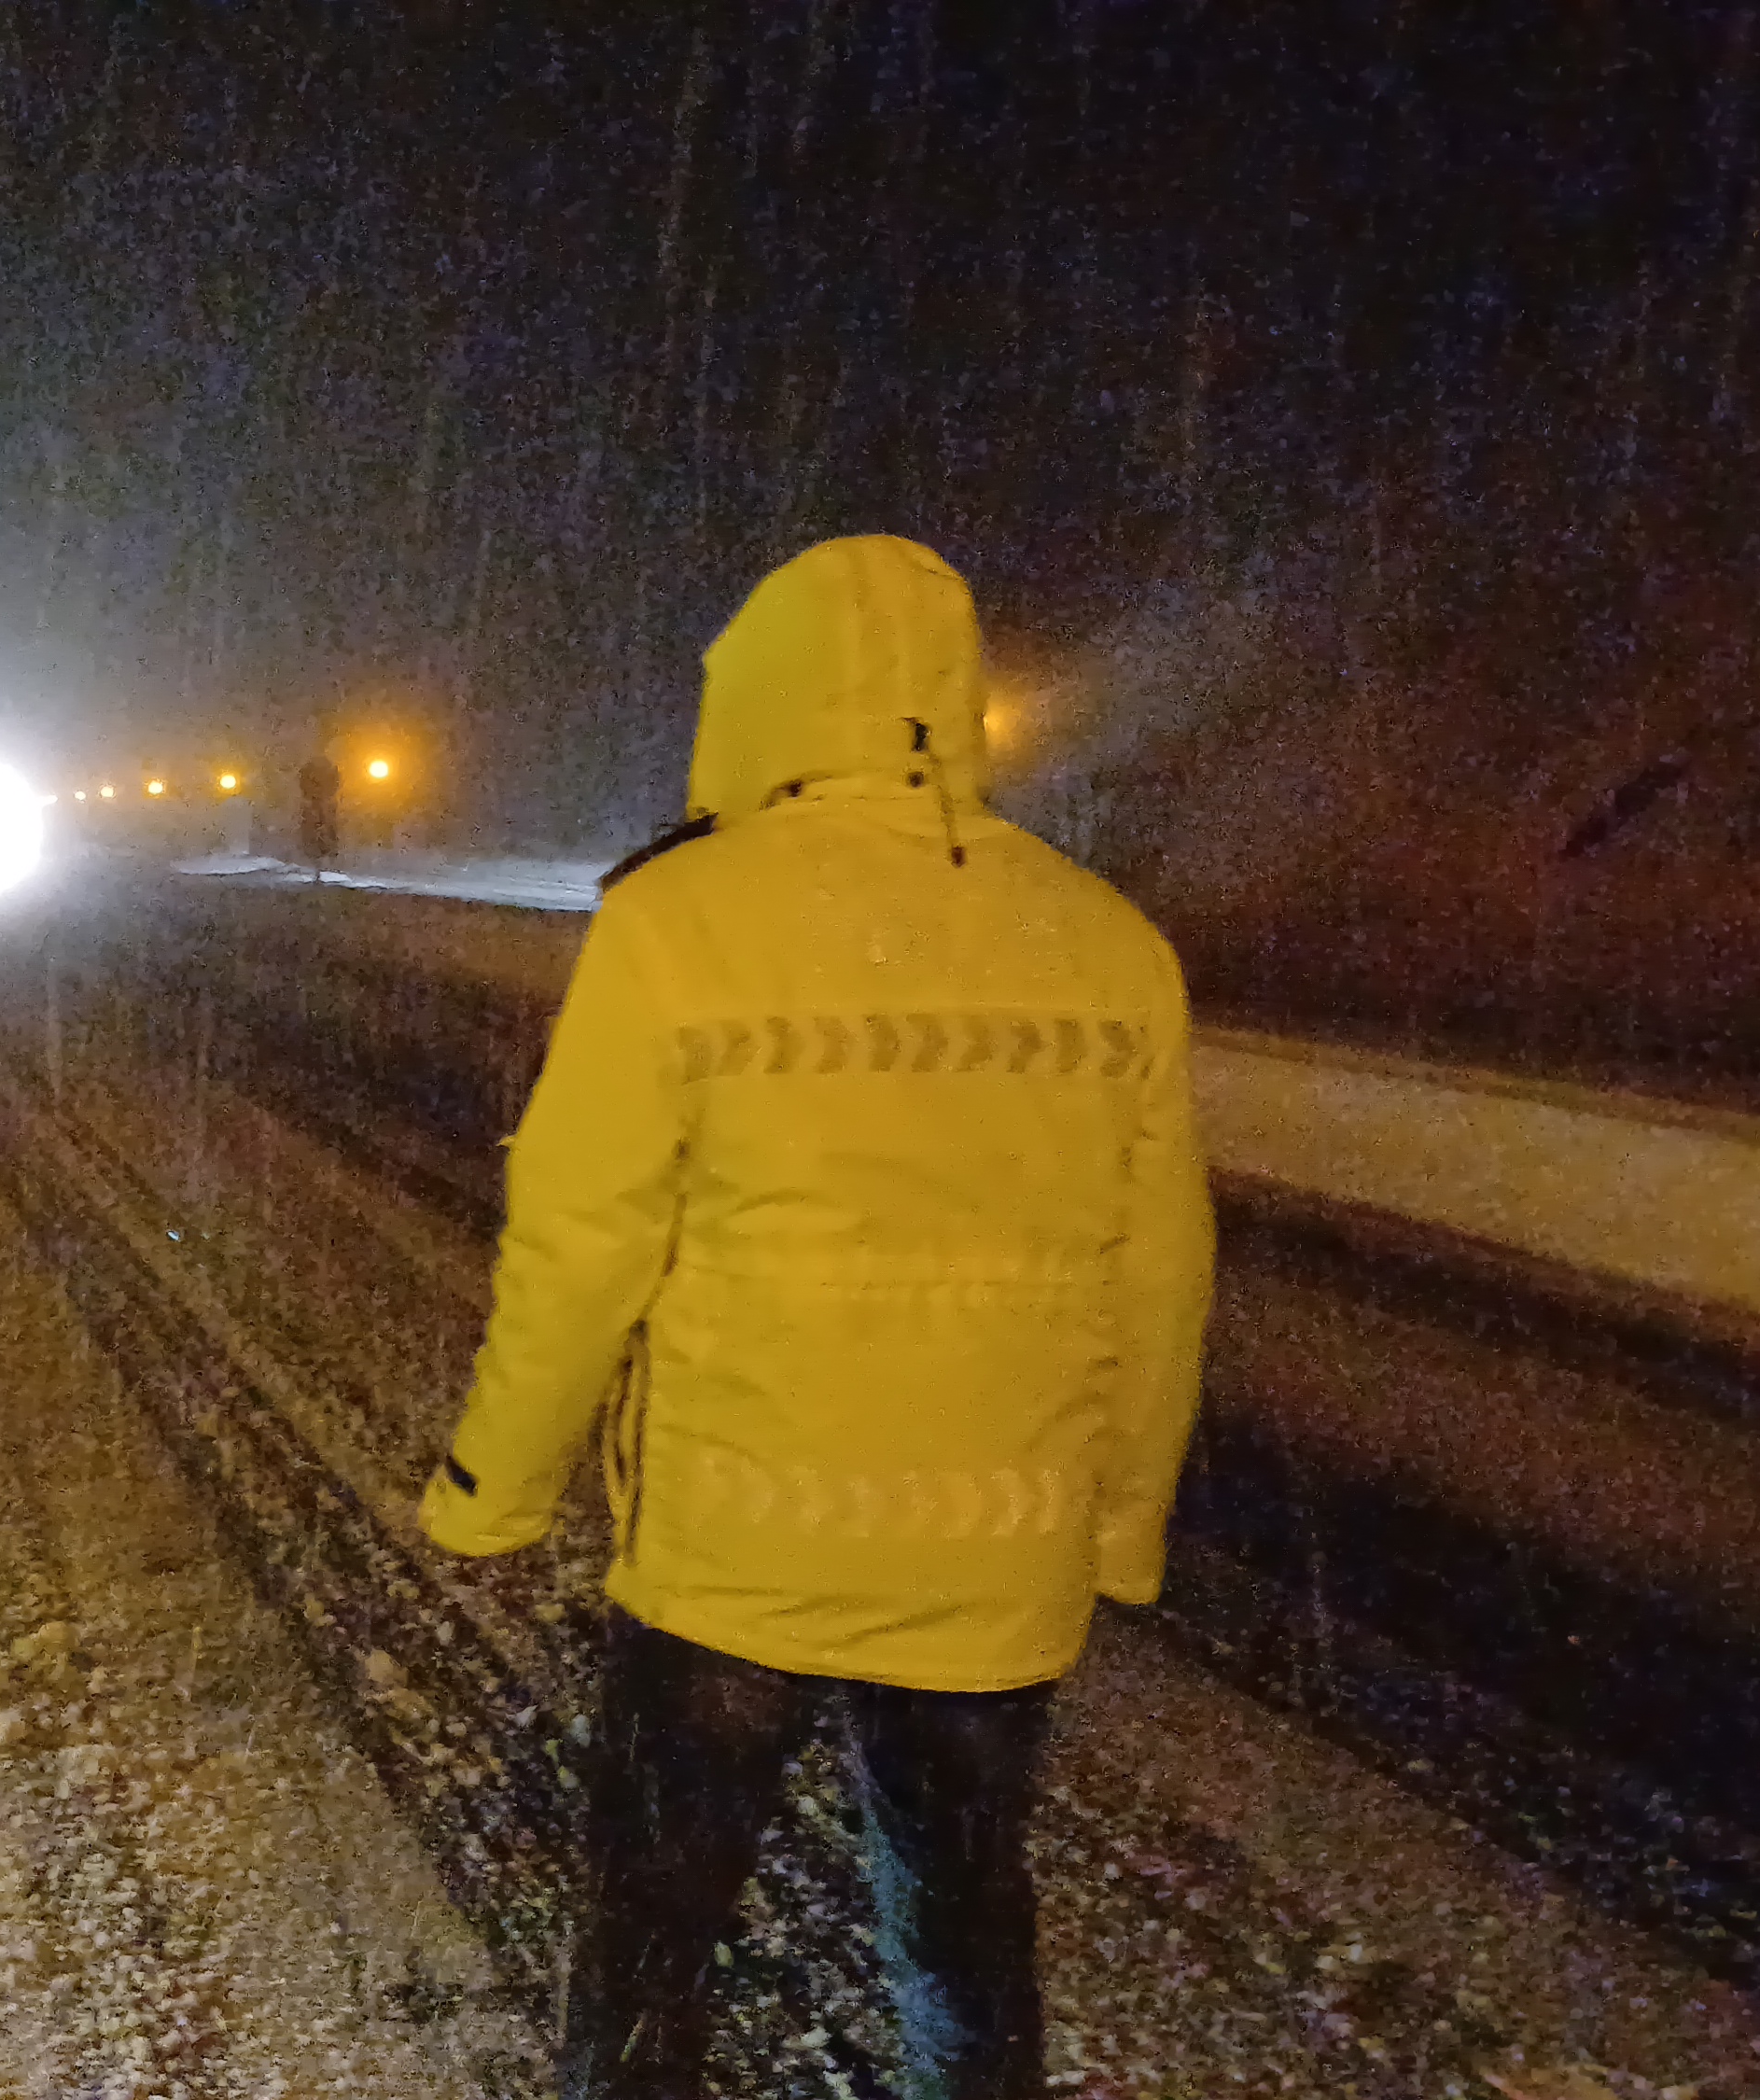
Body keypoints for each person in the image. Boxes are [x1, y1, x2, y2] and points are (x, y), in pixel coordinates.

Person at [418, 537, 1211, 2100]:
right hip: (998, 1552)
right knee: (967, 1922)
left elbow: (580, 1250)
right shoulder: (1107, 943)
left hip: (738, 1555)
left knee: (654, 1937)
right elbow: (1160, 1277)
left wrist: (494, 1491)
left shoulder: (680, 923)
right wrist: (1122, 1519)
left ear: (761, 704)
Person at [297, 750, 343, 866]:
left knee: (327, 822)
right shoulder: (329, 770)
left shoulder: (312, 770)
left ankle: (324, 852)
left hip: (322, 802)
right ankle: (320, 853)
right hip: (317, 803)